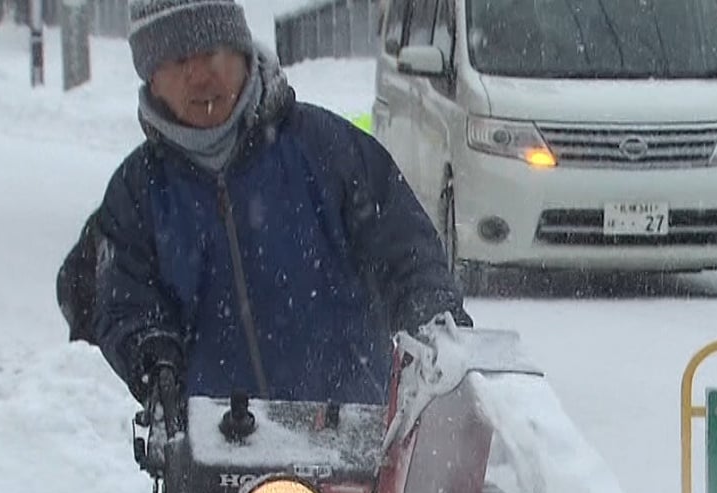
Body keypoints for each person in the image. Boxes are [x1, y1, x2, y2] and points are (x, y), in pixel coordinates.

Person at [81, 0, 471, 411]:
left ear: (242, 52)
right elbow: (124, 301)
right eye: (178, 61)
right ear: (151, 79)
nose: (199, 76)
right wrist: (151, 355)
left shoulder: (329, 150)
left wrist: (433, 321)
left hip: (353, 436)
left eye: (212, 52)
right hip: (214, 448)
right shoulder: (137, 192)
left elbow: (408, 251)